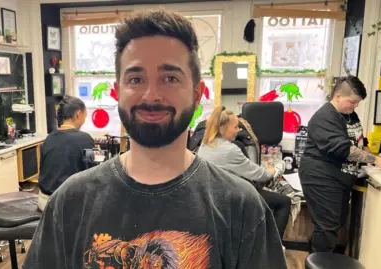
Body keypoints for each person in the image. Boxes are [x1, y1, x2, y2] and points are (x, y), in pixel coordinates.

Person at [24, 10, 287, 269]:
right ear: (117, 91)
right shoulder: (71, 202)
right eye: (136, 79)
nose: (151, 96)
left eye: (170, 78)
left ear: (197, 93)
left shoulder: (241, 206)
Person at [299, 76, 381, 253]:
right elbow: (344, 149)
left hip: (339, 177)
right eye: (352, 102)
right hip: (321, 177)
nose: (355, 106)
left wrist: (368, 154)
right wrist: (375, 160)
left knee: (336, 222)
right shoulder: (325, 117)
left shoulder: (349, 115)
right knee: (327, 227)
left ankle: (319, 259)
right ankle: (319, 263)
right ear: (338, 96)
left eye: (357, 103)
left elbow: (359, 140)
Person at [197, 106, 291, 243]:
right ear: (223, 128)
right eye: (235, 127)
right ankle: (273, 247)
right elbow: (262, 176)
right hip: (229, 198)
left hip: (212, 198)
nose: (238, 130)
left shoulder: (205, 145)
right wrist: (276, 169)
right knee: (284, 202)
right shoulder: (230, 150)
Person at [37, 95, 95, 211]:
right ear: (78, 114)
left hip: (43, 201)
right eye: (85, 115)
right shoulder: (85, 139)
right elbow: (92, 172)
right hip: (65, 204)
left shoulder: (49, 138)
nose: (84, 119)